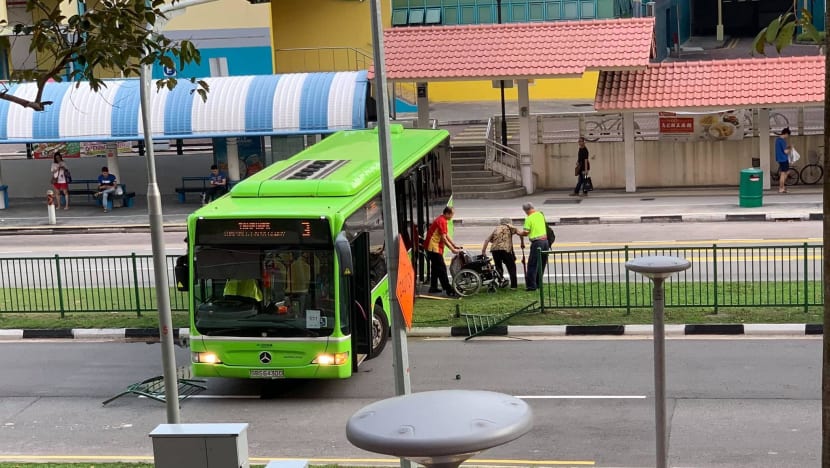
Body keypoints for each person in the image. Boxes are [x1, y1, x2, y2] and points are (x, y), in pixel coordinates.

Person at [423, 206, 461, 297]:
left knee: (435, 268)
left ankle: (433, 287)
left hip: (432, 247)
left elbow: (445, 234)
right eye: (452, 214)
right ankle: (448, 290)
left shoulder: (442, 219)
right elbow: (444, 238)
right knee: (442, 268)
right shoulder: (442, 221)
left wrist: (454, 245)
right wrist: (452, 249)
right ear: (447, 213)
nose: (452, 216)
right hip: (433, 248)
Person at [518, 202, 549, 292]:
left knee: (532, 264)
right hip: (545, 242)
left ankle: (531, 286)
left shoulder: (528, 219)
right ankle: (538, 284)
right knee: (541, 264)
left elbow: (526, 232)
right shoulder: (540, 214)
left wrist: (518, 232)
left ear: (525, 210)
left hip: (537, 243)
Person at [482, 217, 519, 289]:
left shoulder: (497, 228)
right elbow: (519, 233)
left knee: (498, 267)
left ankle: (501, 282)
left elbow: (487, 240)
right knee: (511, 267)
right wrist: (522, 241)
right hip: (505, 249)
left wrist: (483, 251)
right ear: (509, 222)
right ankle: (513, 286)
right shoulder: (510, 226)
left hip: (495, 250)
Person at [775, 127, 792, 193]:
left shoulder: (777, 140)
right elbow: (785, 151)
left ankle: (782, 187)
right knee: (784, 173)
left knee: (785, 172)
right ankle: (781, 188)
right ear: (786, 134)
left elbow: (781, 149)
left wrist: (788, 147)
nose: (787, 137)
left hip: (779, 158)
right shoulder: (782, 141)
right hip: (783, 158)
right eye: (788, 135)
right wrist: (790, 148)